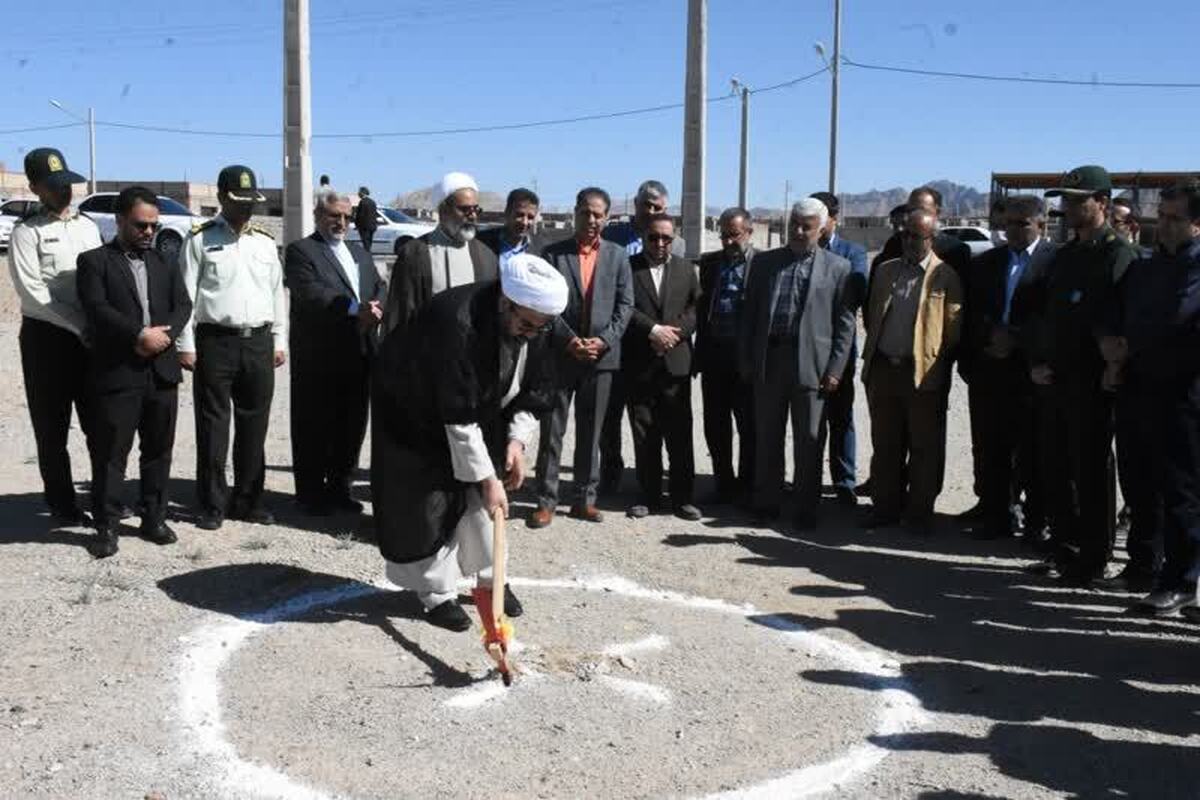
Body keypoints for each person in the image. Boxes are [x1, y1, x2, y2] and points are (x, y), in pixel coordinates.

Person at [371, 253, 568, 630]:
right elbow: (457, 415)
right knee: (430, 505)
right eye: (526, 324)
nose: (531, 334)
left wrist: (517, 442)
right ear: (506, 302)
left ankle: (492, 580)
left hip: (481, 410)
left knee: (485, 501)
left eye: (539, 327)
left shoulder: (540, 324)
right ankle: (436, 593)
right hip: (417, 415)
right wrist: (488, 479)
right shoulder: (457, 323)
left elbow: (537, 389)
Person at [1028, 165, 1137, 587]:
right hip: (1056, 378)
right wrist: (1039, 361)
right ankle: (1064, 548)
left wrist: (1113, 368)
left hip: (1091, 381)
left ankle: (1094, 557)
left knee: (1089, 469)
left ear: (1102, 203)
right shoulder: (1068, 253)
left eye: (1077, 200)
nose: (1068, 207)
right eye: (1066, 200)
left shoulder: (1117, 254)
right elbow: (1050, 316)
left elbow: (1120, 321)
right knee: (1055, 466)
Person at [1099, 182, 1200, 612]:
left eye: (1176, 218)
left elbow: (1175, 322)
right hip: (1139, 389)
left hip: (1183, 395)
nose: (1166, 225)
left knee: (1181, 491)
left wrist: (1133, 347)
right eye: (1162, 216)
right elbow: (1121, 312)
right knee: (1142, 483)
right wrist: (1113, 349)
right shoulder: (1148, 266)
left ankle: (1182, 580)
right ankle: (1148, 565)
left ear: (1197, 224)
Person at [76, 186, 192, 557]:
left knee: (158, 449)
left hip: (161, 371)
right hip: (118, 371)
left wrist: (164, 336)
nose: (148, 232)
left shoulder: (165, 262)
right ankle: (107, 525)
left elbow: (183, 305)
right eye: (141, 225)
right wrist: (138, 335)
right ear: (120, 220)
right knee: (111, 453)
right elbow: (97, 308)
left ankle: (153, 517)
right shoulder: (94, 261)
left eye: (154, 226)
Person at [177, 165, 287, 531]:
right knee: (213, 426)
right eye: (239, 200)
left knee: (254, 426)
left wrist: (279, 340)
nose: (246, 207)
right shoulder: (200, 239)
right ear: (222, 197)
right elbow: (186, 296)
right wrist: (186, 345)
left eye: (251, 200)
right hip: (215, 342)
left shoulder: (264, 242)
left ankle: (249, 500)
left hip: (258, 342)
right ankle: (212, 504)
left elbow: (276, 294)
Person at [741, 198, 855, 529]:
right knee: (768, 435)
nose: (799, 231)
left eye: (807, 226)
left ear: (822, 229)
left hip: (812, 365)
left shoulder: (838, 268)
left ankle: (806, 507)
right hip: (770, 361)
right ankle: (767, 502)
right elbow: (749, 315)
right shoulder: (764, 263)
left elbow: (845, 325)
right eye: (794, 224)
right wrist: (746, 358)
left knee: (809, 439)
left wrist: (835, 370)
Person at [7, 147, 102, 524]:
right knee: (52, 428)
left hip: (90, 340)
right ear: (34, 188)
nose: (63, 191)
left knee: (100, 424)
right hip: (47, 340)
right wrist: (80, 325)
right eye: (53, 185)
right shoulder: (26, 233)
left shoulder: (88, 227)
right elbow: (33, 292)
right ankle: (63, 504)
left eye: (66, 183)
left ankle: (105, 497)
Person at [529, 187, 633, 527]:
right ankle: (546, 500)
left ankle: (583, 500)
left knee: (592, 433)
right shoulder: (553, 254)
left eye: (598, 214)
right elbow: (544, 304)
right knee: (552, 431)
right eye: (586, 213)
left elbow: (625, 306)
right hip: (561, 356)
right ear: (575, 213)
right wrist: (569, 339)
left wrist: (603, 341)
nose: (591, 220)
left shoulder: (618, 256)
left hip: (601, 359)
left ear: (607, 217)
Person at [960, 195, 1058, 541]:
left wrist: (1017, 339)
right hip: (992, 368)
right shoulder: (988, 262)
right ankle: (997, 515)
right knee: (993, 447)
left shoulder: (1055, 262)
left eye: (1022, 224)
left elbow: (1054, 316)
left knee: (1033, 450)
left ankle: (1037, 521)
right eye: (1008, 224)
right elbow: (973, 310)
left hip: (1032, 371)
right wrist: (990, 338)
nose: (1013, 230)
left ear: (1041, 225)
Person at [861, 207, 964, 534]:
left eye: (915, 236)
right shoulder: (885, 270)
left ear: (931, 238)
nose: (908, 241)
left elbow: (953, 330)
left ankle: (919, 514)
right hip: (884, 370)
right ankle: (885, 508)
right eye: (904, 234)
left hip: (921, 374)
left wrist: (933, 360)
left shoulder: (946, 276)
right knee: (885, 445)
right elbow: (872, 315)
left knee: (923, 448)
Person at [284, 190, 386, 516]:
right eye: (333, 215)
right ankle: (311, 494)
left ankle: (341, 488)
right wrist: (356, 310)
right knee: (314, 425)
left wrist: (377, 308)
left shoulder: (358, 252)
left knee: (351, 425)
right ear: (318, 216)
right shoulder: (302, 251)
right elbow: (312, 294)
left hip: (359, 351)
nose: (341, 222)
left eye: (346, 216)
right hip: (319, 355)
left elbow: (379, 287)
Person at [599, 179, 684, 493]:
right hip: (613, 340)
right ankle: (610, 471)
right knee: (609, 413)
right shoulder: (612, 236)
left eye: (657, 207)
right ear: (635, 205)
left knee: (647, 416)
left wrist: (665, 334)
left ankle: (650, 479)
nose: (651, 211)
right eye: (645, 205)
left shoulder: (678, 243)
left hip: (649, 346)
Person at [621, 214, 701, 521]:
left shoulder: (686, 269)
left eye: (666, 238)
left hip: (675, 363)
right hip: (640, 362)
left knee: (679, 433)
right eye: (653, 237)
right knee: (644, 432)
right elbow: (624, 306)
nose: (659, 243)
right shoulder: (628, 268)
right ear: (644, 237)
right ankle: (649, 495)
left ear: (674, 238)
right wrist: (653, 330)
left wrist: (674, 335)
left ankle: (682, 498)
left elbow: (695, 308)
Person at [381, 172, 498, 338]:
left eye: (475, 209)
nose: (472, 216)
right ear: (443, 210)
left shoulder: (486, 256)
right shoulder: (414, 253)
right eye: (464, 209)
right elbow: (399, 315)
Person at [696, 208, 758, 505]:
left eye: (734, 235)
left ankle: (748, 485)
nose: (728, 241)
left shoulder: (762, 265)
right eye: (724, 236)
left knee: (749, 425)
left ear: (749, 232)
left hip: (746, 359)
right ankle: (724, 483)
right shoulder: (709, 264)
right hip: (715, 356)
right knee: (716, 424)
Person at [810, 191, 868, 506]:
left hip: (839, 349)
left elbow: (854, 294)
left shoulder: (852, 253)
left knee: (841, 418)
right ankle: (808, 482)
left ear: (834, 219)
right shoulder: (801, 250)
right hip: (807, 350)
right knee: (809, 420)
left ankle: (844, 482)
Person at [871, 187, 971, 277]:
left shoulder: (956, 251)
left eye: (921, 210)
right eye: (910, 210)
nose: (915, 215)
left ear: (938, 212)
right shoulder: (895, 243)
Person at [477, 187, 543, 266]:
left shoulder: (540, 252)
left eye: (530, 217)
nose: (524, 222)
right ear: (507, 212)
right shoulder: (481, 242)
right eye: (520, 215)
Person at [353, 186, 378, 254]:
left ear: (362, 193)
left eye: (359, 192)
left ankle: (367, 256)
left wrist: (357, 224)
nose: (358, 194)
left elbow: (360, 215)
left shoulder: (362, 202)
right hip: (372, 226)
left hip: (364, 227)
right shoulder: (373, 202)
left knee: (366, 243)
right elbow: (375, 214)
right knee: (369, 243)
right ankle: (368, 254)